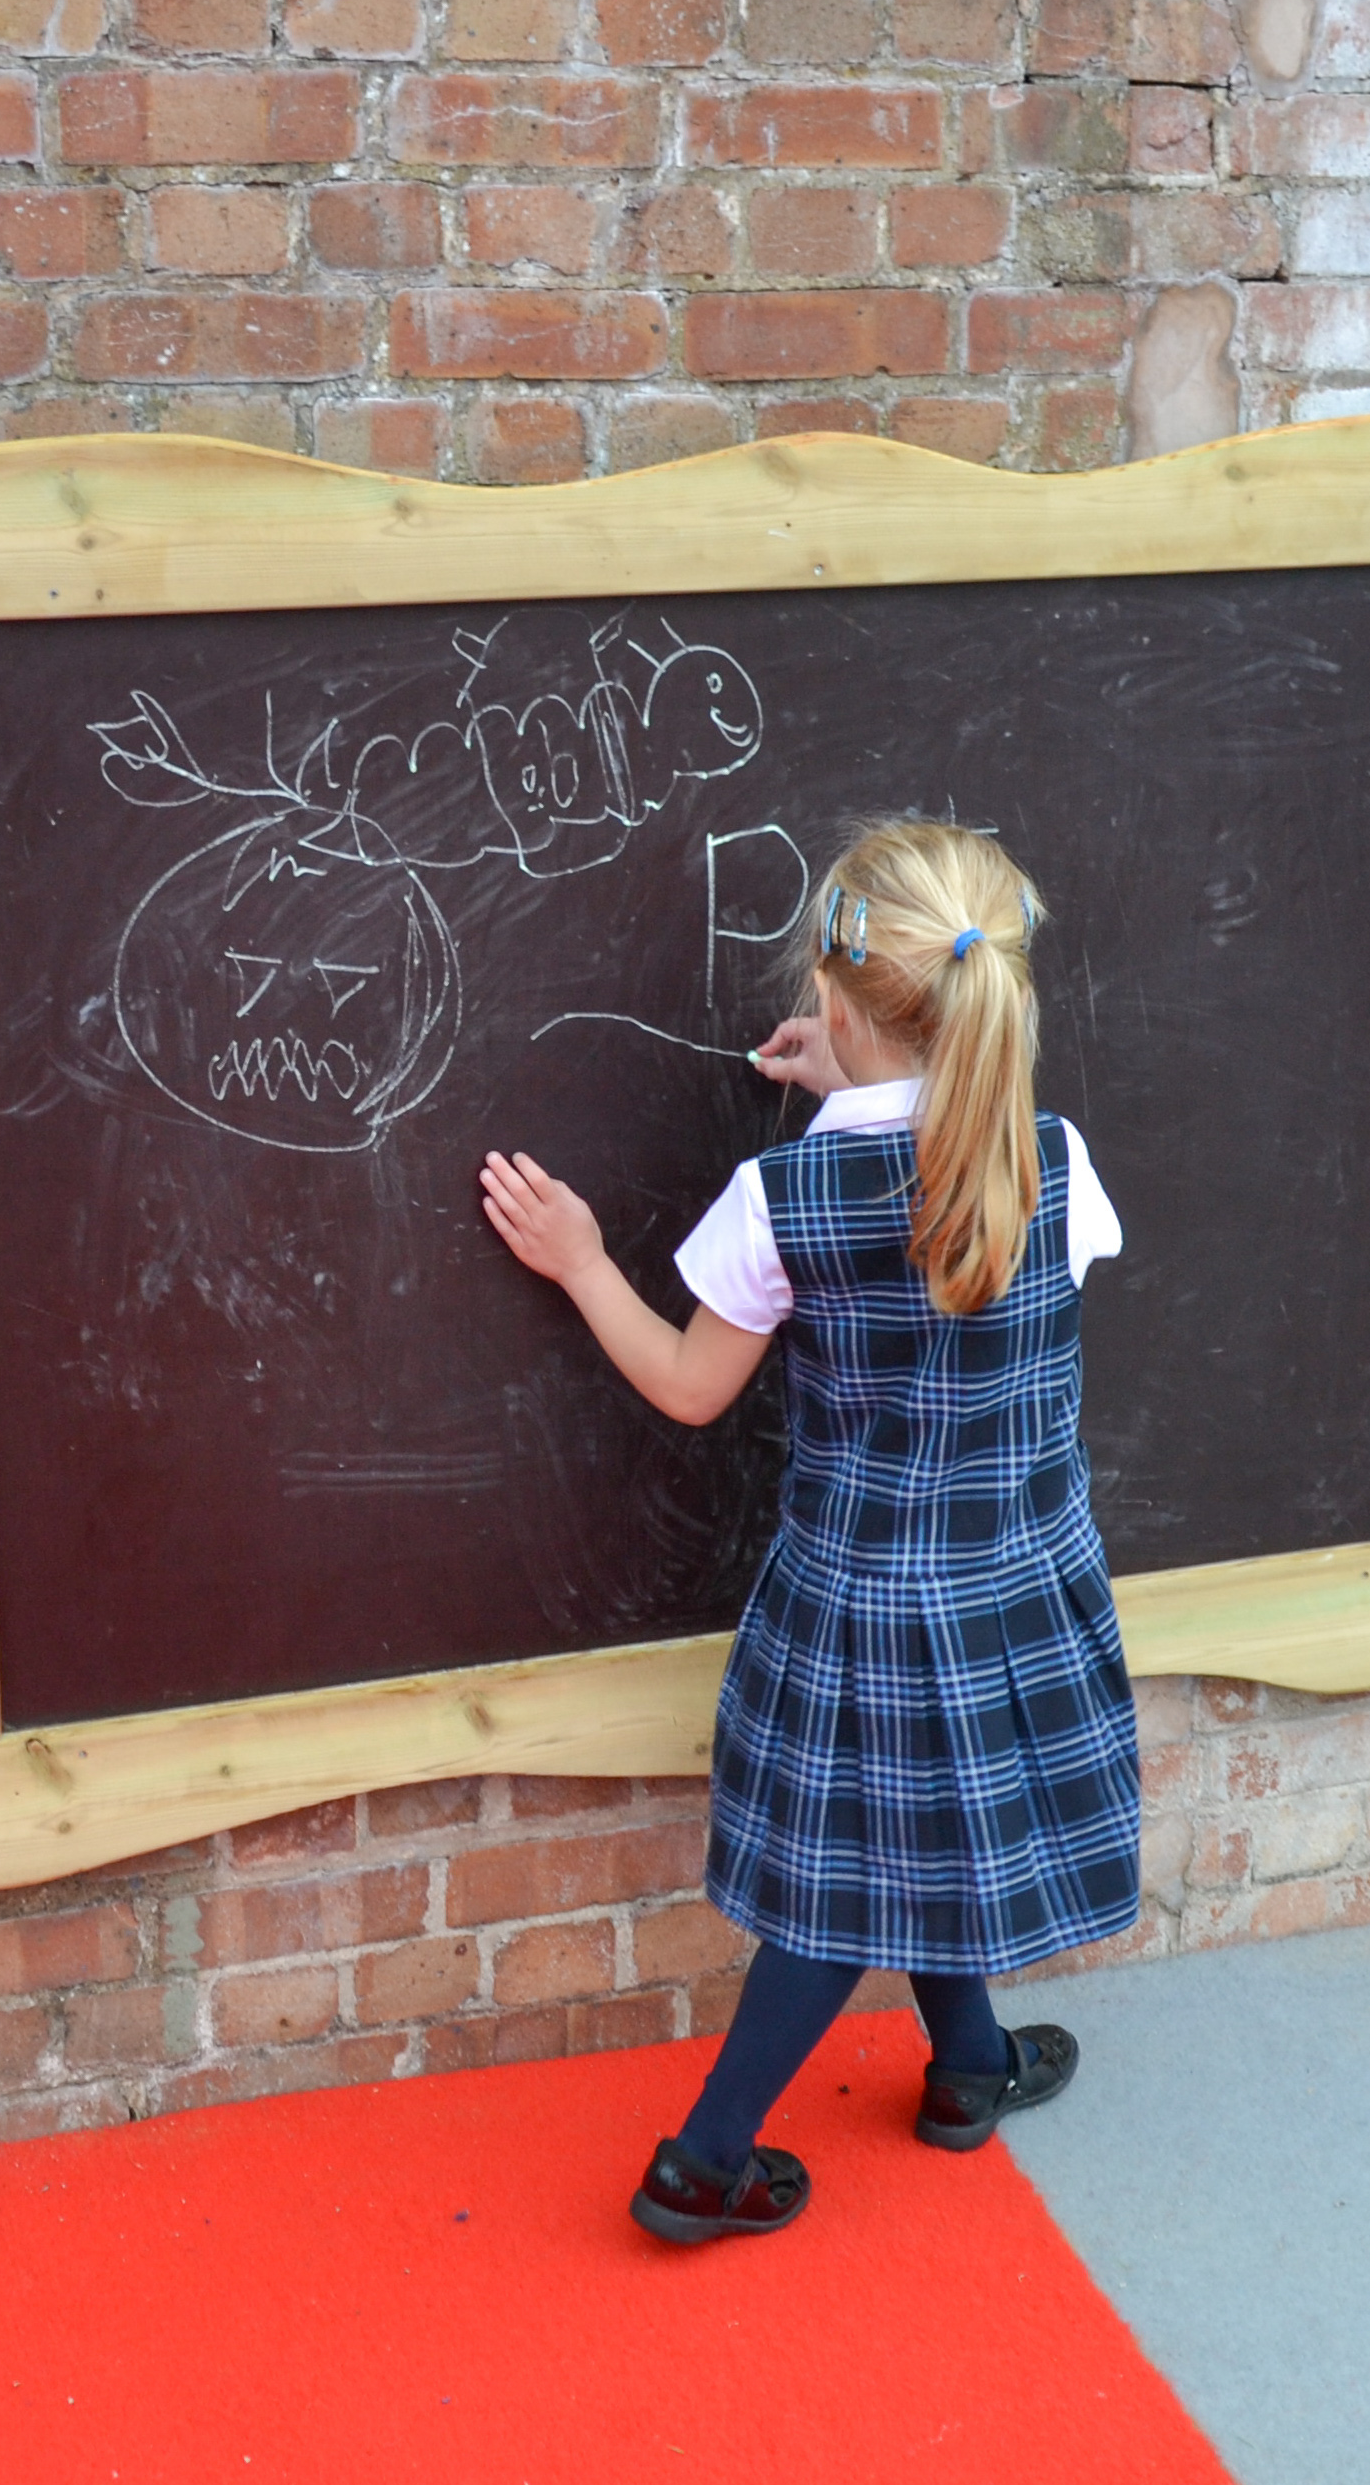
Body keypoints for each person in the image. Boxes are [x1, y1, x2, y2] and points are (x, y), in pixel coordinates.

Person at [477, 816, 1139, 2243]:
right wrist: (861, 1073)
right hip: (1016, 1583)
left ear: (834, 1002)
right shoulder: (1056, 1160)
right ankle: (967, 2066)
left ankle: (703, 2159)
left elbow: (689, 1388)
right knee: (932, 1831)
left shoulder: (782, 1201)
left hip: (861, 1605)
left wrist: (586, 1263)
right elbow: (947, 1172)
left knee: (844, 1893)